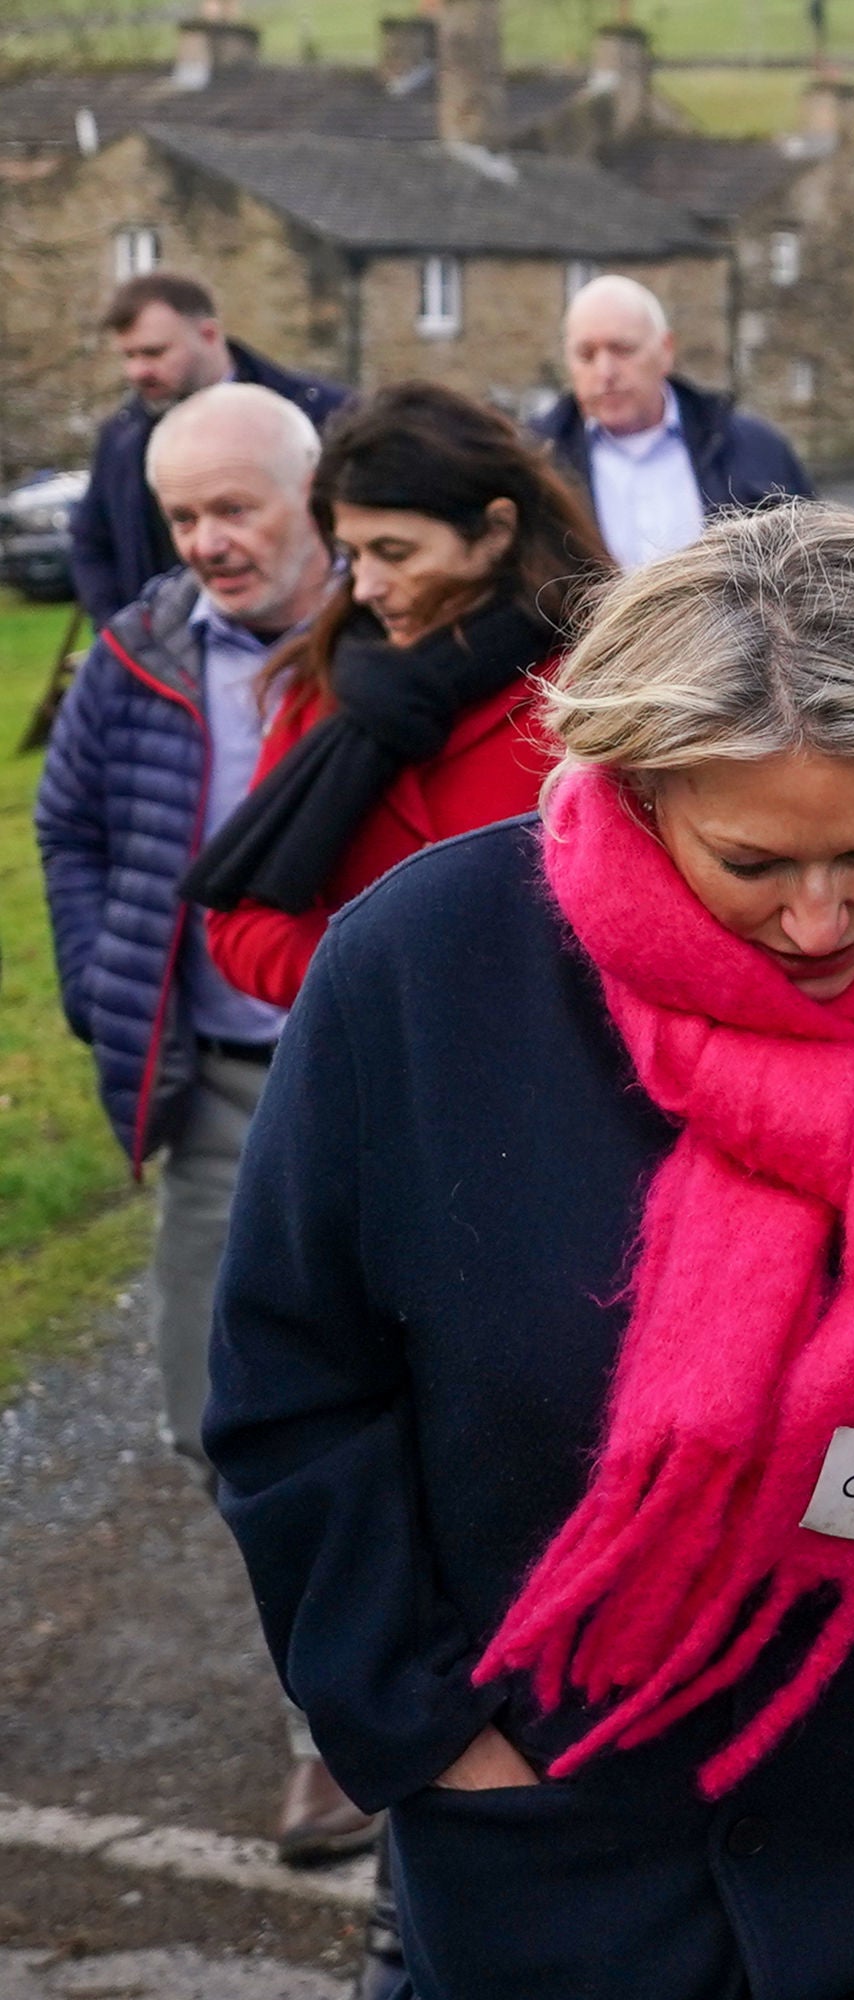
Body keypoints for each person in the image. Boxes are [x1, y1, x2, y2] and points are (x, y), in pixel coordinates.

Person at [205, 505, 854, 1998]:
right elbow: (294, 1385)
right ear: (637, 789)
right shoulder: (420, 973)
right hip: (552, 1858)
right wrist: (428, 1734)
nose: (822, 921)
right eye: (752, 864)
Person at [34, 383, 369, 1867]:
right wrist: (111, 995)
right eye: (183, 518)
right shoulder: (137, 656)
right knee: (212, 1418)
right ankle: (340, 1693)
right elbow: (72, 825)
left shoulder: (399, 641)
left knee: (417, 1403)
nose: (210, 543)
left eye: (238, 509)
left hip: (384, 1092)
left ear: (315, 502)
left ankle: (346, 1738)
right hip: (228, 1096)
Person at [185, 381, 606, 1008]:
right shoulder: (328, 682)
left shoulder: (601, 689)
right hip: (378, 1085)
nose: (365, 588)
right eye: (352, 555)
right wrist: (393, 981)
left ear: (495, 531)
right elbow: (241, 925)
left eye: (395, 553)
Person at [70, 272, 348, 626]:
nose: (138, 371)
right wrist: (124, 631)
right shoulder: (121, 436)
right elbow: (91, 542)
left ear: (209, 335)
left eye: (154, 352)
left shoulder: (324, 416)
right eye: (129, 355)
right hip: (168, 661)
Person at [531, 274, 815, 569]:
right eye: (586, 355)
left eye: (623, 350)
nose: (605, 372)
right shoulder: (536, 464)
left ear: (666, 350)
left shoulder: (754, 449)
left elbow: (816, 569)